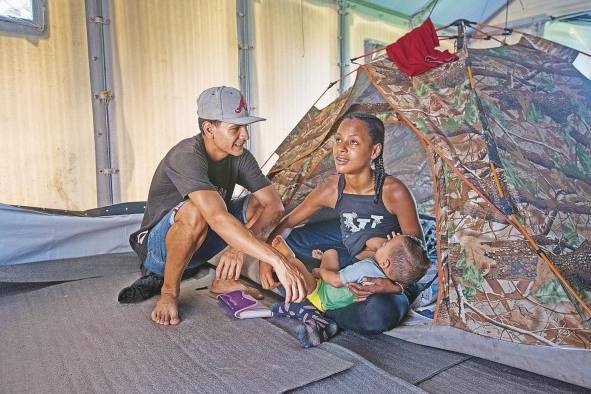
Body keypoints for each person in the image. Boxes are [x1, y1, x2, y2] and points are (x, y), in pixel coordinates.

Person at [118, 86, 307, 326]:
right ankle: (168, 292)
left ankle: (224, 280)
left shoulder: (240, 156)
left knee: (258, 204)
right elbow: (216, 217)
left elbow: (275, 206)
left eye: (245, 127)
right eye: (235, 128)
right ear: (209, 129)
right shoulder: (185, 155)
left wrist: (240, 247)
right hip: (159, 252)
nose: (245, 135)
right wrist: (277, 261)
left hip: (201, 243)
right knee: (196, 210)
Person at [261, 112, 424, 335]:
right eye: (338, 140)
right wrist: (268, 258)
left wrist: (394, 286)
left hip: (382, 275)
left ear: (374, 151)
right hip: (347, 260)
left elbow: (416, 253)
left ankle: (315, 308)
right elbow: (288, 223)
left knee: (380, 313)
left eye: (353, 142)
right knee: (288, 247)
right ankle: (322, 301)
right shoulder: (331, 189)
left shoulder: (393, 192)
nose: (341, 148)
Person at [270, 233, 429, 347]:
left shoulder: (367, 267)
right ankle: (318, 263)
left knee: (295, 264)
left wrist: (321, 272)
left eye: (385, 244)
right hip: (335, 294)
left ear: (386, 263)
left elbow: (336, 280)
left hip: (322, 293)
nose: (383, 242)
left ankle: (286, 256)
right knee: (331, 253)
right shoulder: (388, 280)